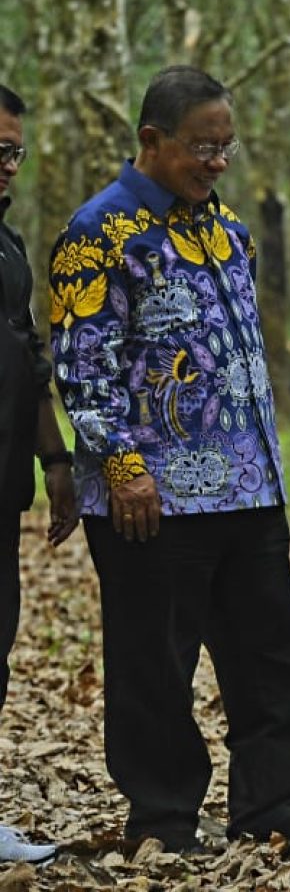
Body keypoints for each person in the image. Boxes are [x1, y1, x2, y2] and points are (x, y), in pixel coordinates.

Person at [49, 66, 290, 853]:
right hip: (151, 498)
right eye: (203, 147)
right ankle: (164, 820)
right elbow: (81, 365)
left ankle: (272, 813)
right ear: (152, 140)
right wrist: (121, 467)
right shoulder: (98, 232)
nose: (217, 162)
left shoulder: (227, 229)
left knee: (272, 662)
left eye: (227, 146)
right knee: (154, 669)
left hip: (250, 489)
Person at [0, 85, 77, 865]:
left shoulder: (10, 247)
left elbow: (29, 359)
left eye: (14, 151)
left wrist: (56, 461)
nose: (7, 165)